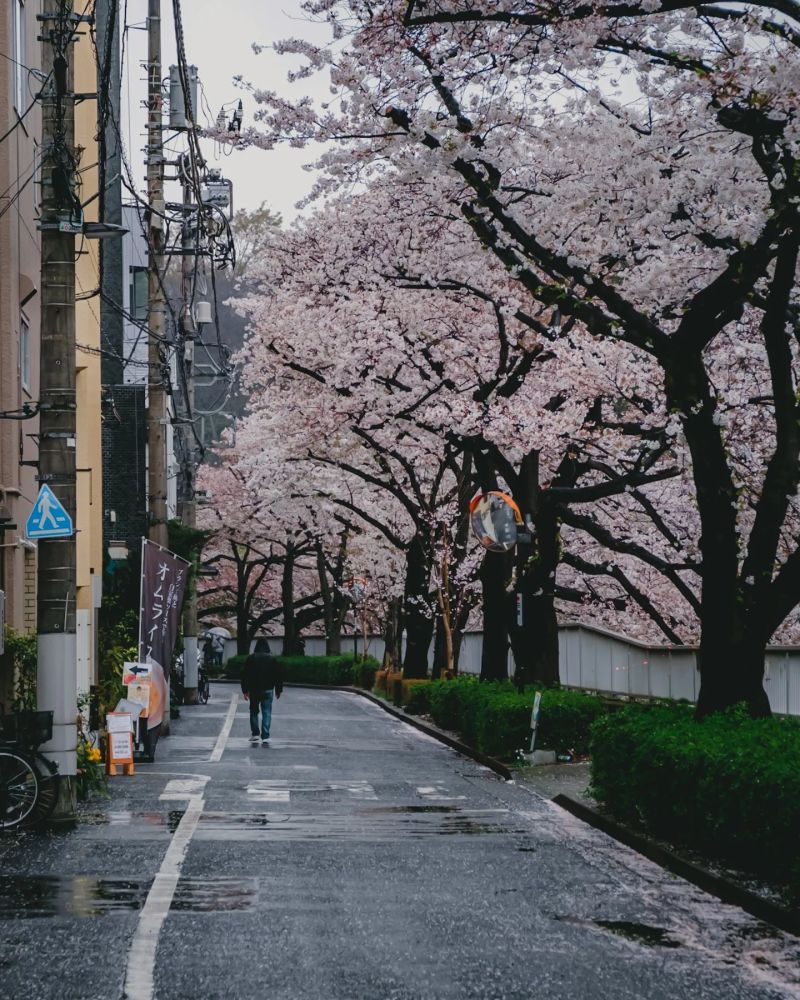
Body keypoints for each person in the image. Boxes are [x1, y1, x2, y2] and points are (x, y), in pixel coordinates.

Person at [241, 638, 283, 745]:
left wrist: (245, 690)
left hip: (254, 689)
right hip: (268, 689)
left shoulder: (251, 659)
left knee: (253, 711)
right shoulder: (272, 659)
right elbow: (278, 676)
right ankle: (265, 735)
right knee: (267, 712)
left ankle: (255, 734)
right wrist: (278, 690)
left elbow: (245, 675)